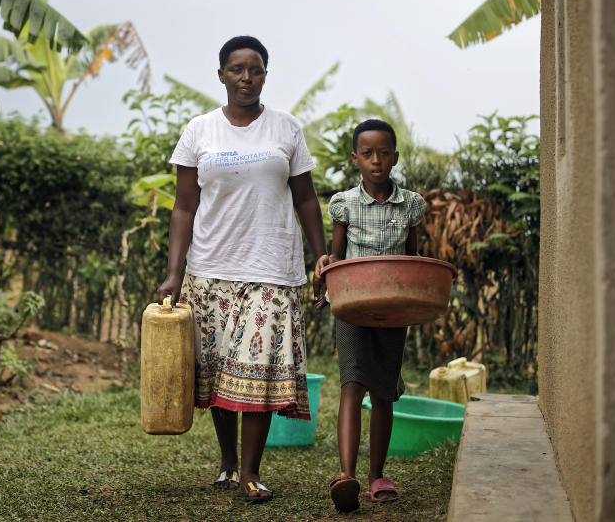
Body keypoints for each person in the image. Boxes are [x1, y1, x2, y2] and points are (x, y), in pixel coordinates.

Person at [157, 35, 327, 504]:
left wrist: (322, 257)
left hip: (272, 268)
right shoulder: (199, 130)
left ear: (265, 75)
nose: (246, 78)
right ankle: (228, 463)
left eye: (255, 69)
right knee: (217, 374)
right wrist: (175, 272)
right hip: (210, 267)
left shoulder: (286, 129)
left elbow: (306, 198)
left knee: (256, 368)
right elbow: (184, 207)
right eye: (237, 69)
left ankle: (251, 473)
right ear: (221, 76)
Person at [312, 118, 427, 513]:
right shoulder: (345, 203)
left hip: (393, 309)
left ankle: (377, 474)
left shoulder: (411, 204)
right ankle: (347, 475)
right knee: (352, 384)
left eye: (383, 153)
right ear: (355, 158)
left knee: (382, 392)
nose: (376, 160)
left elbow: (413, 257)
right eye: (367, 153)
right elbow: (337, 256)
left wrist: (422, 293)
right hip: (352, 307)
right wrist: (323, 276)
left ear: (395, 157)